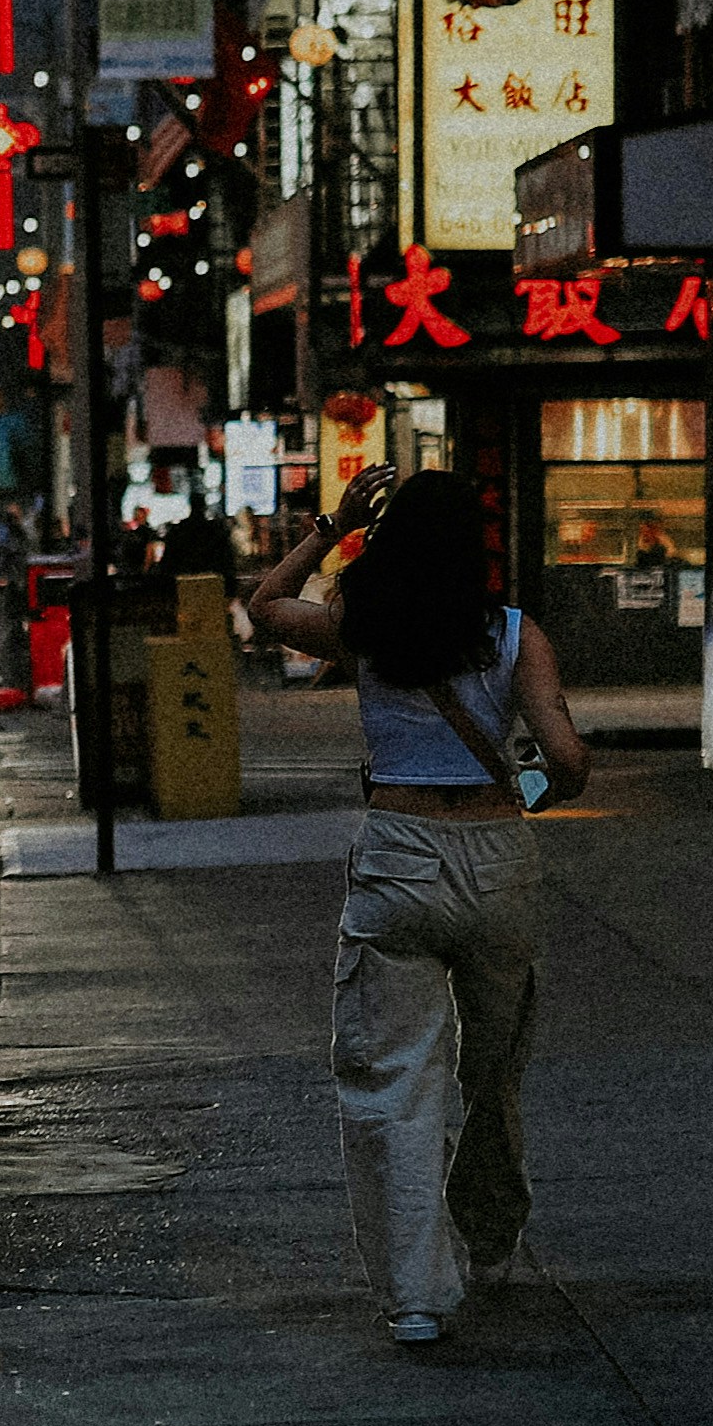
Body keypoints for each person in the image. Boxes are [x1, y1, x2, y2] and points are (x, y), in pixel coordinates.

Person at [247, 463, 590, 1347]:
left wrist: (333, 521)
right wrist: (529, 793)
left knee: (390, 1079)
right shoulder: (516, 634)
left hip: (397, 854)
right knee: (494, 1063)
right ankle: (490, 1236)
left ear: (389, 541)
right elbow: (566, 757)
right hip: (496, 860)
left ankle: (415, 1298)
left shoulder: (365, 629)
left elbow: (264, 604)